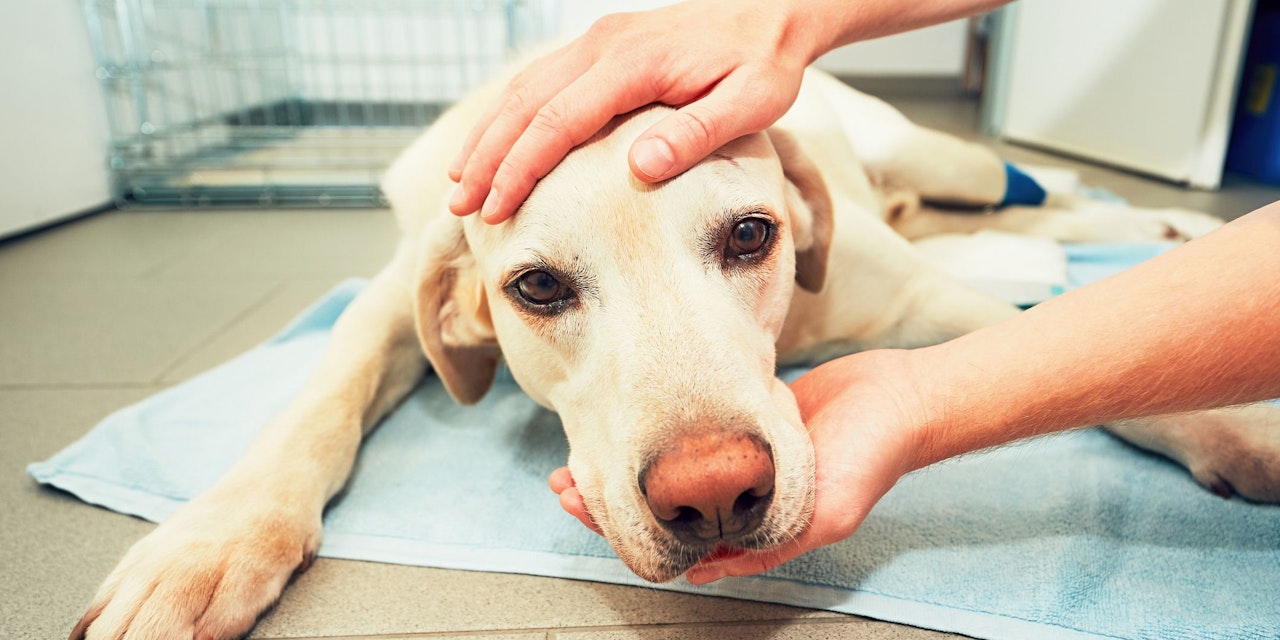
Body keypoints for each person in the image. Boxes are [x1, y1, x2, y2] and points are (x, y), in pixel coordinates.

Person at [448, 0, 1280, 584]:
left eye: (745, 239)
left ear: (808, 221)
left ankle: (1050, 202)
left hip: (847, 143)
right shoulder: (456, 220)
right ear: (464, 310)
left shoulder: (804, 188)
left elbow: (935, 301)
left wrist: (1186, 414)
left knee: (959, 171)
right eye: (545, 286)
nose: (709, 480)